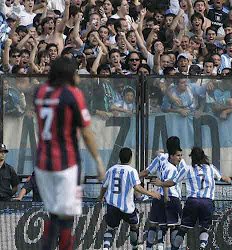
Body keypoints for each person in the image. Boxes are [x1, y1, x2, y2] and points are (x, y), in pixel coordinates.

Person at [33, 57, 106, 250]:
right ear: (69, 75)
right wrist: (98, 161)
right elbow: (86, 132)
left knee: (54, 214)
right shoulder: (72, 94)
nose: (79, 77)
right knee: (66, 217)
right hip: (66, 165)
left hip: (42, 164)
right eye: (76, 72)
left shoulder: (39, 91)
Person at [153, 147, 231, 250]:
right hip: (207, 202)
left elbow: (172, 182)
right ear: (203, 156)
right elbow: (225, 179)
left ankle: (174, 248)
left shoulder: (187, 169)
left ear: (192, 158)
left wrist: (161, 183)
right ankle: (202, 246)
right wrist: (228, 179)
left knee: (183, 229)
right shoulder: (211, 168)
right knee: (204, 228)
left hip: (192, 202)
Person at [98, 147, 161, 250]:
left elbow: (104, 186)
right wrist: (150, 193)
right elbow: (137, 187)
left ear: (119, 157)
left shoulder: (111, 169)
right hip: (127, 206)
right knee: (134, 225)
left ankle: (106, 248)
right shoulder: (132, 171)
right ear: (130, 158)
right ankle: (134, 246)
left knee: (110, 228)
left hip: (112, 205)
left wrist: (100, 197)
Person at [139, 136, 187, 250]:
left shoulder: (160, 157)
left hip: (158, 195)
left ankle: (149, 247)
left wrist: (134, 177)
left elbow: (146, 171)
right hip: (173, 196)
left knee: (155, 224)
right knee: (174, 226)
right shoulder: (180, 162)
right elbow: (179, 177)